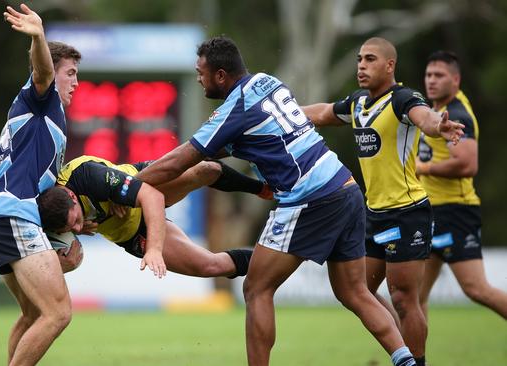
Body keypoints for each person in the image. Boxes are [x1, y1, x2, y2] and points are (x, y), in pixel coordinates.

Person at [135, 36, 419, 366]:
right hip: (346, 187)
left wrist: (127, 187)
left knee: (257, 288)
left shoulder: (234, 108)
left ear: (221, 75)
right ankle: (407, 362)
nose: (198, 78)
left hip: (311, 197)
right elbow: (253, 140)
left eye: (201, 72)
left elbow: (180, 160)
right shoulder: (268, 82)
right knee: (354, 292)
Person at [302, 37, 465, 366]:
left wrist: (439, 125)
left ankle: (416, 362)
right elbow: (320, 112)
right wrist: (279, 114)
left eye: (370, 59)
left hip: (407, 214)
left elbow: (425, 118)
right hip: (374, 214)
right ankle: (402, 352)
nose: (361, 65)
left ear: (389, 65)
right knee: (355, 289)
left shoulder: (403, 99)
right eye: (360, 59)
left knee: (405, 298)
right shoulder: (359, 102)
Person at [0, 4, 82, 365]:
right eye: (71, 73)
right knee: (59, 312)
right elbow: (42, 71)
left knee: (35, 315)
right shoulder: (42, 97)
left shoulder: (44, 118)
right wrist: (38, 36)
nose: (76, 82)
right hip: (12, 213)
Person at [37, 155, 272, 278]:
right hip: (131, 233)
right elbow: (61, 253)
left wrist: (154, 250)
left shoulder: (87, 176)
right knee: (212, 266)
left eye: (77, 221)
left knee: (206, 170)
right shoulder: (52, 214)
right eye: (71, 228)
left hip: (144, 183)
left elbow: (153, 198)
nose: (77, 229)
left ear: (70, 194)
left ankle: (263, 189)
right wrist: (66, 262)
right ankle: (279, 256)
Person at [417, 50, 507, 319]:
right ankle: (413, 360)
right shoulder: (435, 111)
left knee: (476, 289)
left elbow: (468, 165)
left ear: (455, 80)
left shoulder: (458, 115)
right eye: (428, 75)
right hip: (431, 212)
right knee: (412, 297)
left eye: (439, 75)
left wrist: (425, 168)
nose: (431, 80)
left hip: (455, 212)